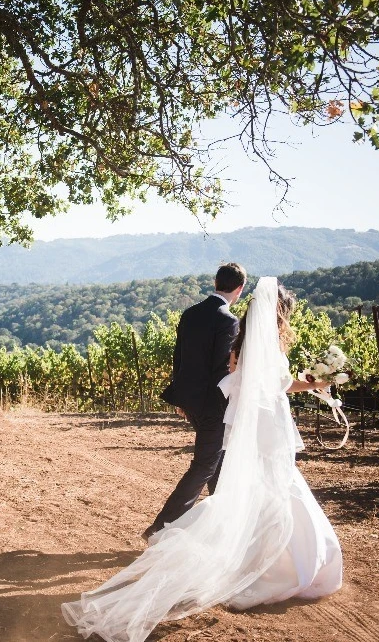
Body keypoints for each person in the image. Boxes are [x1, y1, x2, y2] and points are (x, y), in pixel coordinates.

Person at [63, 278, 342, 642]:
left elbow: (246, 382)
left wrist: (309, 382)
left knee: (262, 493)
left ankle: (255, 556)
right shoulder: (268, 349)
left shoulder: (241, 346)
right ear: (278, 316)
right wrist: (318, 381)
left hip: (254, 429)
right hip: (268, 431)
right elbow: (277, 386)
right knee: (274, 492)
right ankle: (275, 566)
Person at [147, 262, 245, 541]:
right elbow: (221, 369)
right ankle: (160, 528)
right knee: (205, 465)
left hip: (191, 402)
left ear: (216, 283)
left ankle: (223, 528)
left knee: (217, 461)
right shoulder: (228, 321)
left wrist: (181, 397)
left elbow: (180, 359)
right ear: (239, 289)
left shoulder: (190, 314)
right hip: (213, 405)